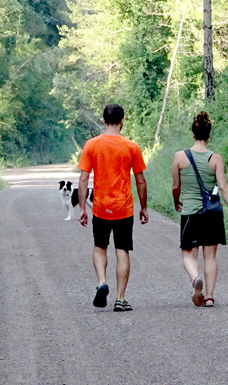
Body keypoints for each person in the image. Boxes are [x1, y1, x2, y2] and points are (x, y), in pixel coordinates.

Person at [78, 104, 149, 312]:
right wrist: (143, 207)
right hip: (123, 208)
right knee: (122, 250)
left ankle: (101, 282)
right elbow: (141, 181)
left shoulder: (92, 145)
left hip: (100, 207)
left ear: (103, 120)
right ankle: (120, 298)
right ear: (122, 121)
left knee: (100, 247)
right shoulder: (131, 147)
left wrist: (82, 208)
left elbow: (83, 180)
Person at [171, 111, 228, 307]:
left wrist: (177, 200)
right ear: (209, 135)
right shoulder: (216, 158)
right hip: (213, 213)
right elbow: (223, 187)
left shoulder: (179, 157)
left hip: (191, 212)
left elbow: (176, 186)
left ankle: (195, 280)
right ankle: (209, 296)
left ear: (193, 134)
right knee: (210, 256)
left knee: (188, 253)